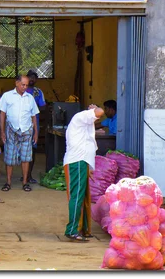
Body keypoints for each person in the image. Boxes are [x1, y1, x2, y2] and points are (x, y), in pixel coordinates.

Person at [63, 104, 105, 242]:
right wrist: (94, 108)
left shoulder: (85, 125)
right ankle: (72, 230)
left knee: (84, 198)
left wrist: (90, 168)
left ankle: (84, 229)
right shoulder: (81, 117)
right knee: (77, 196)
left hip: (82, 163)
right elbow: (100, 112)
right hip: (77, 161)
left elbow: (88, 143)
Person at [0, 74, 39, 192]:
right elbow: (2, 114)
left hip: (27, 130)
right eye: (22, 84)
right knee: (9, 158)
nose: (25, 87)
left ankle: (25, 182)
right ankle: (8, 182)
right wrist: (2, 132)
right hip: (11, 130)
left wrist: (36, 133)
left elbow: (34, 116)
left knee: (26, 158)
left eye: (26, 85)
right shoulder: (7, 96)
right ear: (16, 83)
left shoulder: (30, 98)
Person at [20, 70, 47, 184]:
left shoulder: (38, 92)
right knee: (20, 151)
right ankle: (23, 175)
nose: (32, 80)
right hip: (20, 123)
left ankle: (29, 175)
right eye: (30, 77)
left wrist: (32, 109)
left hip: (33, 124)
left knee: (32, 150)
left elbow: (43, 107)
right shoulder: (21, 90)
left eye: (34, 78)